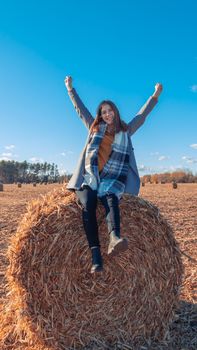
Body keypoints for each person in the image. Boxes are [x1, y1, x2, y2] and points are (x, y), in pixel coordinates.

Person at [64, 76, 163, 273]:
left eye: (110, 111)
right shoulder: (94, 127)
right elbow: (80, 110)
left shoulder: (125, 131)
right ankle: (96, 257)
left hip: (111, 178)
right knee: (88, 204)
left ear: (115, 113)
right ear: (100, 115)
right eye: (103, 112)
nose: (107, 114)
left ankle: (114, 238)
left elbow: (141, 117)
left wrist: (155, 96)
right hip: (89, 178)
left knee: (111, 196)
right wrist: (70, 89)